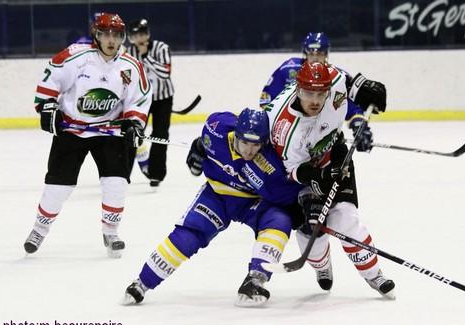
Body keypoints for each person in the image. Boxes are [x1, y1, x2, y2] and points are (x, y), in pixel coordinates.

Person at [123, 108, 304, 307]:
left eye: (256, 145)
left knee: (280, 221)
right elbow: (205, 140)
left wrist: (299, 206)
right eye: (245, 142)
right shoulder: (217, 128)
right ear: (236, 134)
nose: (249, 151)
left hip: (254, 203)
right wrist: (198, 147)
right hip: (217, 196)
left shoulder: (272, 165)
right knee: (188, 235)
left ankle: (255, 280)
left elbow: (287, 194)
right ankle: (142, 283)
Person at [23, 13, 152, 258]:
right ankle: (39, 229)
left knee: (116, 183)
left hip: (110, 131)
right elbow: (50, 82)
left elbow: (139, 98)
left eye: (116, 34)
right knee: (57, 187)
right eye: (106, 34)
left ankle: (111, 231)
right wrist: (48, 107)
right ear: (96, 35)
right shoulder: (76, 57)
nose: (111, 39)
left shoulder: (130, 66)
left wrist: (134, 123)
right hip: (72, 129)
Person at [264, 61, 395, 298]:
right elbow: (292, 170)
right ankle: (322, 266)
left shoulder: (332, 79)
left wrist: (362, 87)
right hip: (299, 174)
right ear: (297, 89)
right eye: (307, 93)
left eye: (320, 94)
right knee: (310, 231)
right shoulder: (284, 128)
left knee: (346, 220)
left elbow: (343, 77)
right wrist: (317, 178)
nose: (314, 100)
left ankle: (374, 274)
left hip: (334, 155)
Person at [260, 32, 374, 154]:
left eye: (319, 54)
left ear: (326, 54)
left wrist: (360, 127)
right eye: (311, 53)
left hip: (321, 133)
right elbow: (267, 100)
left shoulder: (338, 78)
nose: (315, 58)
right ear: (305, 53)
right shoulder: (289, 69)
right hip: (287, 132)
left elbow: (353, 108)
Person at [126, 18, 174, 187]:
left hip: (163, 98)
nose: (139, 38)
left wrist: (146, 56)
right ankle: (122, 174)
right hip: (140, 100)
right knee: (132, 134)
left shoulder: (162, 48)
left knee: (160, 135)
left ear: (147, 33)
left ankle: (156, 174)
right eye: (136, 35)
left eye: (142, 33)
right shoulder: (129, 52)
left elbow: (165, 73)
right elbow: (126, 77)